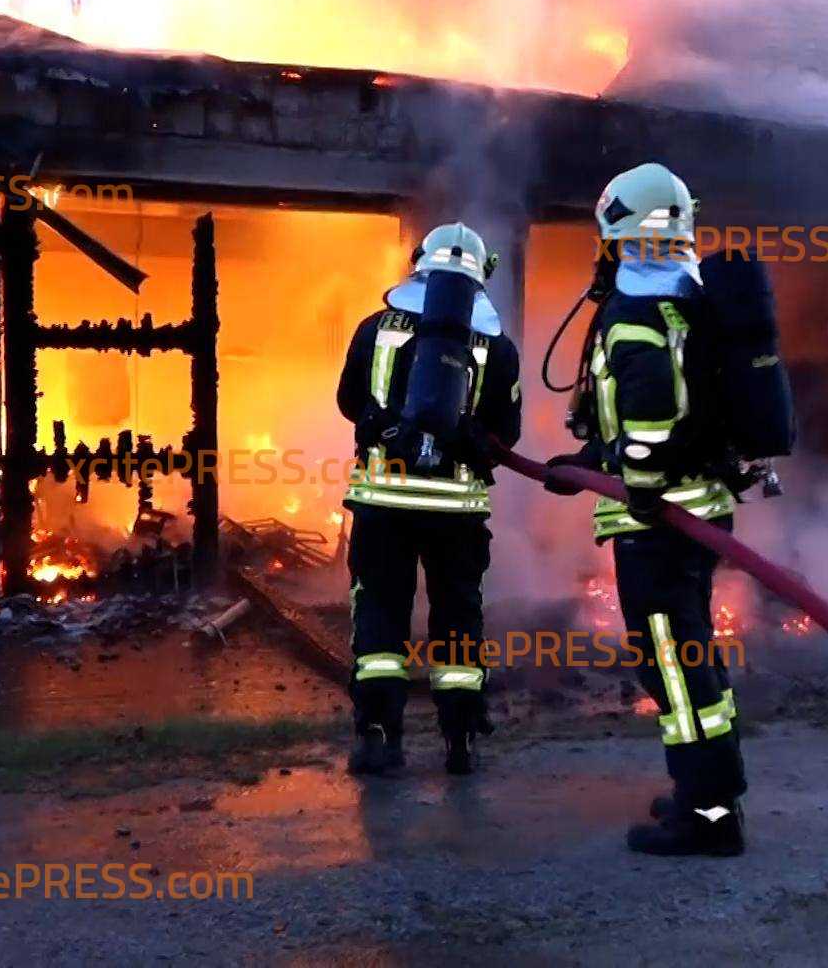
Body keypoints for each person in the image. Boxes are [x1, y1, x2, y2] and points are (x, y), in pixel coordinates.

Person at [545, 162, 785, 855]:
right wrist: (594, 465)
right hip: (697, 505)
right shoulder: (687, 296)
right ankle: (704, 790)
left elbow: (650, 415)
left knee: (674, 668)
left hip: (661, 522)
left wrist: (637, 478)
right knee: (690, 659)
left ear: (619, 232)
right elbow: (673, 414)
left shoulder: (638, 309)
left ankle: (709, 816)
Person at [335, 221, 523, 776]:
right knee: (458, 618)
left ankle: (377, 737)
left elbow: (349, 400)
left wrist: (387, 425)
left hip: (384, 502)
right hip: (456, 513)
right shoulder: (496, 343)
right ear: (480, 277)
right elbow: (505, 432)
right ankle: (460, 739)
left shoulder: (375, 327)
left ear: (418, 263)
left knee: (380, 614)